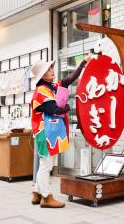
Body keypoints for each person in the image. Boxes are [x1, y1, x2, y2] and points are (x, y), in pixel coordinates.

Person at [30, 57, 88, 208]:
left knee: (45, 164)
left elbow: (69, 80)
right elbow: (53, 109)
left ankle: (36, 193)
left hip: (49, 133)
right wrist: (67, 108)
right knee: (46, 165)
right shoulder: (42, 91)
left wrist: (81, 65)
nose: (51, 71)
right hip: (44, 133)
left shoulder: (51, 86)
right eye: (48, 69)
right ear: (42, 75)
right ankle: (46, 196)